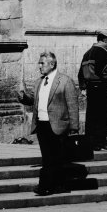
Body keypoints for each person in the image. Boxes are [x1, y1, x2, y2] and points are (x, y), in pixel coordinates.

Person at [18, 51, 79, 196]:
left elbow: (72, 105)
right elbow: (33, 99)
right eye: (39, 63)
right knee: (47, 156)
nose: (39, 66)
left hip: (58, 125)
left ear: (52, 64)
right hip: (41, 124)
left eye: (42, 63)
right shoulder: (39, 81)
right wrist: (23, 97)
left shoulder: (65, 81)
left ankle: (46, 186)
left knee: (56, 157)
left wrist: (74, 127)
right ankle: (54, 185)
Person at [78, 30, 107, 151]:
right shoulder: (102, 53)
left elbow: (80, 73)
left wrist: (83, 87)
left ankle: (94, 142)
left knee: (92, 116)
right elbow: (103, 71)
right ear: (105, 40)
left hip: (90, 88)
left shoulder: (87, 53)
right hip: (100, 87)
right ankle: (100, 140)